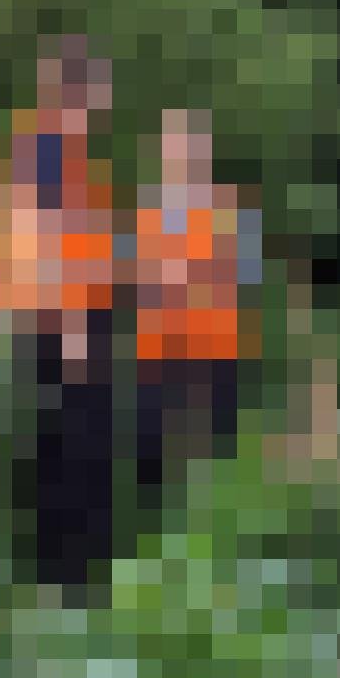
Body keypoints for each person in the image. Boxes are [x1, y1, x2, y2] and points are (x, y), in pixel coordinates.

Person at [0, 39, 120, 595]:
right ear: (77, 91)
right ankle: (70, 580)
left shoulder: (64, 153)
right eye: (97, 90)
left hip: (72, 312)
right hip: (63, 317)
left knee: (68, 444)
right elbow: (45, 240)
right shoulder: (46, 151)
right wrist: (71, 323)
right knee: (74, 445)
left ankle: (66, 575)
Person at [129, 107, 256, 520]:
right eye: (172, 147)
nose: (180, 155)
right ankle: (152, 533)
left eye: (188, 146)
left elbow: (244, 275)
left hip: (212, 352)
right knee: (155, 464)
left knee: (211, 459)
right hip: (158, 356)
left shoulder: (228, 207)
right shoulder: (147, 209)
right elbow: (140, 280)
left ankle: (212, 528)